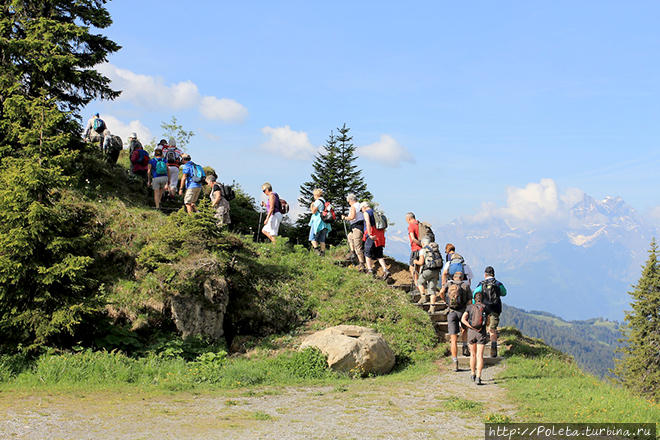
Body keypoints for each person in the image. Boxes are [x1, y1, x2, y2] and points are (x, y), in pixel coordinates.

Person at [472, 266, 507, 358]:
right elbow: (504, 293)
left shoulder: (481, 284)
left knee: (481, 328)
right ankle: (493, 350)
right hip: (495, 309)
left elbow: (475, 294)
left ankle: (479, 351)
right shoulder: (498, 283)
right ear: (493, 274)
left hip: (484, 309)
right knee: (492, 330)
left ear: (485, 274)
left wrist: (474, 305)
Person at [439, 271, 471, 371]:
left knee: (453, 339)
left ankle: (455, 362)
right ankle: (465, 346)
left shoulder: (448, 284)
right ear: (462, 278)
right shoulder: (466, 286)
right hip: (462, 312)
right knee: (465, 330)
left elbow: (440, 292)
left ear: (454, 277)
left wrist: (445, 301)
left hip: (451, 312)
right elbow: (470, 301)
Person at [461, 290, 488, 385]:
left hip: (472, 333)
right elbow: (487, 322)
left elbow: (463, 319)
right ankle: (478, 377)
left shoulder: (469, 307)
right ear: (483, 299)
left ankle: (472, 373)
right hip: (481, 332)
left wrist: (470, 326)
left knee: (472, 354)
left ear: (474, 299)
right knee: (479, 355)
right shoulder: (485, 308)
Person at [361, 202, 390, 280]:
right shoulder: (376, 212)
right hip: (379, 235)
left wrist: (369, 234)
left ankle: (370, 270)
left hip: (372, 234)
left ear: (364, 207)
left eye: (361, 209)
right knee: (379, 255)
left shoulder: (366, 213)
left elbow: (368, 223)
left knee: (367, 253)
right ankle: (385, 270)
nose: (362, 211)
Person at [413, 237, 443, 307]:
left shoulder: (423, 250)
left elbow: (421, 262)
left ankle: (423, 297)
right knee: (432, 289)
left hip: (427, 270)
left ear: (423, 243)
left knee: (419, 282)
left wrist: (415, 261)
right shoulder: (435, 250)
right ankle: (432, 307)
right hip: (436, 271)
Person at [342, 194, 366, 271]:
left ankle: (362, 263)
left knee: (357, 245)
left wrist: (345, 218)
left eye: (349, 201)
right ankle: (352, 252)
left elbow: (352, 217)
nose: (349, 203)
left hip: (357, 227)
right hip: (361, 226)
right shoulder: (360, 205)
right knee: (350, 236)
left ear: (351, 200)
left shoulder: (353, 206)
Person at [308, 189, 332, 256]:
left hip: (317, 222)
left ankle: (316, 250)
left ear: (316, 195)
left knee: (312, 237)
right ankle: (322, 253)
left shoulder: (317, 201)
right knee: (322, 239)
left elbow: (313, 211)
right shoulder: (324, 201)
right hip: (325, 223)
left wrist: (311, 205)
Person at [406, 213, 422, 286]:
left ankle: (416, 284)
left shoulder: (411, 225)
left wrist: (419, 244)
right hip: (423, 250)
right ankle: (421, 284)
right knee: (419, 267)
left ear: (409, 219)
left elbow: (413, 238)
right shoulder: (420, 224)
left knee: (412, 268)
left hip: (416, 249)